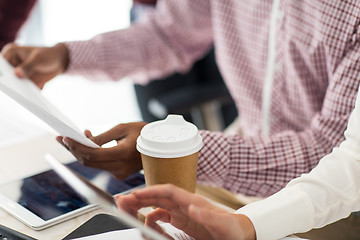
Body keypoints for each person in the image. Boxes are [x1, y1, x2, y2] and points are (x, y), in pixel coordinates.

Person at [2, 1, 360, 200]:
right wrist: (65, 56)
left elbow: (331, 151)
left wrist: (180, 155)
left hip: (329, 198)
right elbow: (167, 34)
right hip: (245, 149)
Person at [114, 83, 360, 240]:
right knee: (150, 212)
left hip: (326, 204)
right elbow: (355, 159)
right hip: (291, 191)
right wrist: (246, 224)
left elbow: (326, 146)